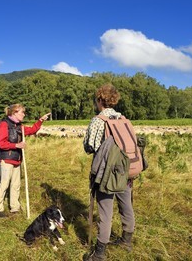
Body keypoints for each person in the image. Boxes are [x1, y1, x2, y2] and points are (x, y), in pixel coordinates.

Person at [83, 84, 135, 260]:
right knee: (126, 205)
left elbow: (90, 147)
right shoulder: (124, 119)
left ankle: (99, 254)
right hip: (126, 170)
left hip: (106, 174)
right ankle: (126, 241)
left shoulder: (98, 120)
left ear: (100, 100)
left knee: (105, 212)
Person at [0, 104, 51, 218]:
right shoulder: (4, 125)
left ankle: (15, 207)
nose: (24, 114)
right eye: (22, 112)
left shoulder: (19, 126)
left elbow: (32, 130)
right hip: (6, 159)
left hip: (16, 160)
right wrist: (17, 145)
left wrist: (40, 120)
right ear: (14, 113)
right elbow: (2, 144)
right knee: (4, 184)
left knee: (16, 185)